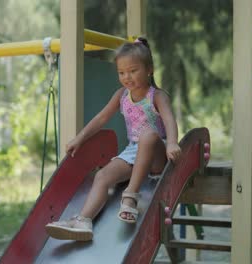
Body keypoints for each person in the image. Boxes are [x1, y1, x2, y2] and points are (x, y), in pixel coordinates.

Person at [45, 37, 181, 241]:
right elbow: (101, 118)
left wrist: (171, 142)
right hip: (134, 151)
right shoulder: (121, 96)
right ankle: (84, 220)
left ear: (149, 69)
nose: (127, 77)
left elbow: (169, 120)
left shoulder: (157, 96)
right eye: (122, 72)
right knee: (102, 177)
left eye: (133, 71)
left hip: (157, 155)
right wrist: (79, 138)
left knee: (148, 135)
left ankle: (130, 197)